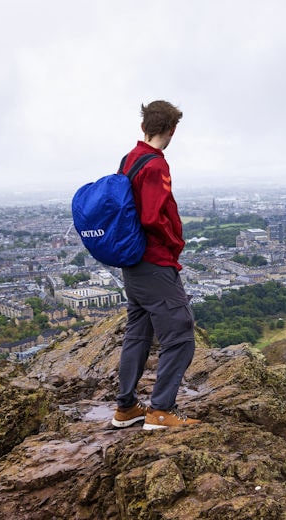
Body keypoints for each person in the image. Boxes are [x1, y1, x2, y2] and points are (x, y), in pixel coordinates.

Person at [111, 100, 201, 430]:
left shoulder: (129, 159)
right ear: (172, 131)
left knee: (138, 332)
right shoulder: (156, 166)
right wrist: (175, 242)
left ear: (143, 127)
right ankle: (160, 410)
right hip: (154, 262)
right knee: (180, 333)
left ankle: (126, 408)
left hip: (132, 263)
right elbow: (152, 216)